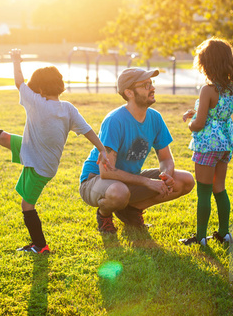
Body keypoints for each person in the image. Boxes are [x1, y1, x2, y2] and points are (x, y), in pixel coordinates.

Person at [0, 49, 111, 254]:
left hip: (40, 167)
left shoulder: (36, 102)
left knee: (27, 206)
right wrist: (102, 150)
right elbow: (87, 131)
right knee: (3, 137)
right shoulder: (68, 108)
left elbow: (19, 82)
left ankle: (40, 246)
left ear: (41, 91)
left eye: (35, 91)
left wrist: (16, 61)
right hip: (33, 150)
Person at [79, 67, 195, 235]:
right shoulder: (114, 120)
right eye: (145, 85)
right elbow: (106, 172)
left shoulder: (155, 118)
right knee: (119, 192)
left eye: (151, 83)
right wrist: (148, 182)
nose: (152, 88)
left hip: (128, 181)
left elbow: (165, 159)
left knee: (185, 180)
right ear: (129, 92)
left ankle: (132, 210)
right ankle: (104, 215)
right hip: (95, 180)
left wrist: (166, 175)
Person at [180, 38, 233, 246]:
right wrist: (195, 111)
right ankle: (224, 233)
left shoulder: (207, 89)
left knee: (203, 190)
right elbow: (218, 112)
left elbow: (201, 122)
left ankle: (200, 237)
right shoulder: (232, 87)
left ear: (208, 64)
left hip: (208, 145)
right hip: (225, 144)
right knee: (219, 188)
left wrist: (191, 125)